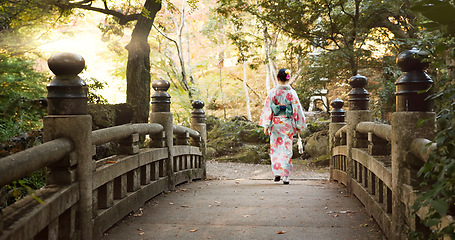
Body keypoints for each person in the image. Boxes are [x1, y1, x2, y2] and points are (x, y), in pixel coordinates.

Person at [259, 68, 306, 184]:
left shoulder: (273, 92)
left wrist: (266, 125)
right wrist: (299, 124)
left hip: (276, 123)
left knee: (275, 148)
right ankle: (285, 176)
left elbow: (268, 109)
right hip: (288, 123)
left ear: (278, 78)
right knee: (286, 148)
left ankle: (276, 174)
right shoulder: (292, 93)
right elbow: (297, 109)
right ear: (287, 78)